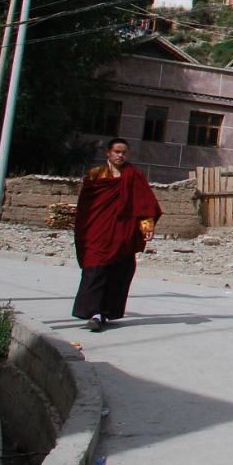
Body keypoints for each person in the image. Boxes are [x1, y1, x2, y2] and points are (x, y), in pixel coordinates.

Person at [72, 140, 161, 332]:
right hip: (98, 232)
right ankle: (93, 311)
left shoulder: (134, 176)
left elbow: (145, 203)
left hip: (123, 234)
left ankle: (104, 312)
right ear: (108, 153)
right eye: (117, 152)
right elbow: (86, 208)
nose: (120, 156)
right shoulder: (96, 175)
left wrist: (146, 226)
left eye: (124, 153)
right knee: (94, 270)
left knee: (119, 272)